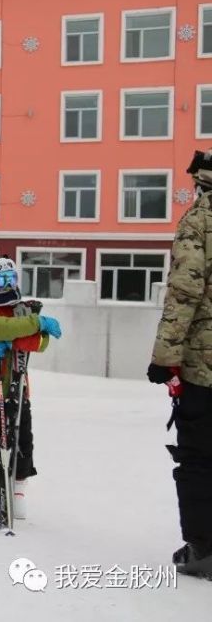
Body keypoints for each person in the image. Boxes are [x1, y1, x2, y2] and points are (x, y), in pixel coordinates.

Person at [149, 149, 212, 578]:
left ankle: (203, 549)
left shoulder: (200, 219)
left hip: (205, 367)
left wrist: (165, 357)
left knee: (199, 457)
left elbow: (186, 292)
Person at [0, 257, 58, 521]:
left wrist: (27, 331)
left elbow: (39, 343)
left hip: (17, 387)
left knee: (23, 441)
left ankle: (17, 492)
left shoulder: (21, 309)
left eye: (11, 279)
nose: (6, 286)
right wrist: (34, 324)